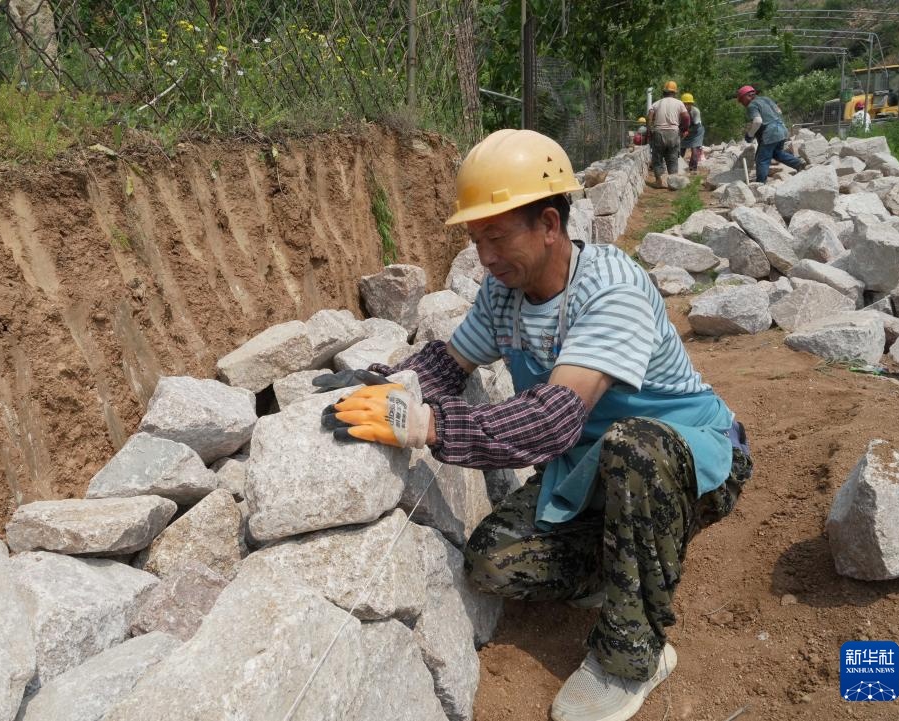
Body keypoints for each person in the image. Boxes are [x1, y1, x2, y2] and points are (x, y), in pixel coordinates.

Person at [316, 129, 752, 721]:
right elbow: (450, 361)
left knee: (636, 446)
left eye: (496, 237)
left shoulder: (611, 291)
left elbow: (553, 420)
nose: (486, 258)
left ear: (550, 224)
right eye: (476, 240)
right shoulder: (505, 293)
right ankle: (621, 561)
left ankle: (632, 657)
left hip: (684, 463)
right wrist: (386, 381)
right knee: (492, 563)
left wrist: (427, 425)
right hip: (590, 469)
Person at [736, 84, 804, 183]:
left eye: (742, 100)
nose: (743, 104)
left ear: (747, 96)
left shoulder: (752, 105)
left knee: (762, 159)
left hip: (770, 133)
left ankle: (760, 184)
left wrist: (750, 135)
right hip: (782, 129)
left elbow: (757, 121)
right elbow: (779, 112)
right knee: (777, 153)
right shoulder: (766, 99)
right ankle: (799, 164)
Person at [646, 80, 690, 188]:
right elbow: (686, 117)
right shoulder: (679, 103)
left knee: (657, 158)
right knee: (673, 158)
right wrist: (683, 129)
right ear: (675, 92)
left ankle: (659, 181)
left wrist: (650, 129)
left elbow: (649, 117)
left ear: (664, 92)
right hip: (673, 133)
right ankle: (673, 182)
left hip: (659, 133)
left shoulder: (656, 103)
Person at [679, 92, 704, 171]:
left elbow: (696, 125)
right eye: (684, 104)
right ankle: (678, 166)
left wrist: (687, 131)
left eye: (688, 104)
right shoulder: (679, 111)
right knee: (681, 150)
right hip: (685, 131)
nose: (686, 106)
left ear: (691, 104)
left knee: (694, 150)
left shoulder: (695, 111)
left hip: (696, 132)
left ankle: (693, 169)